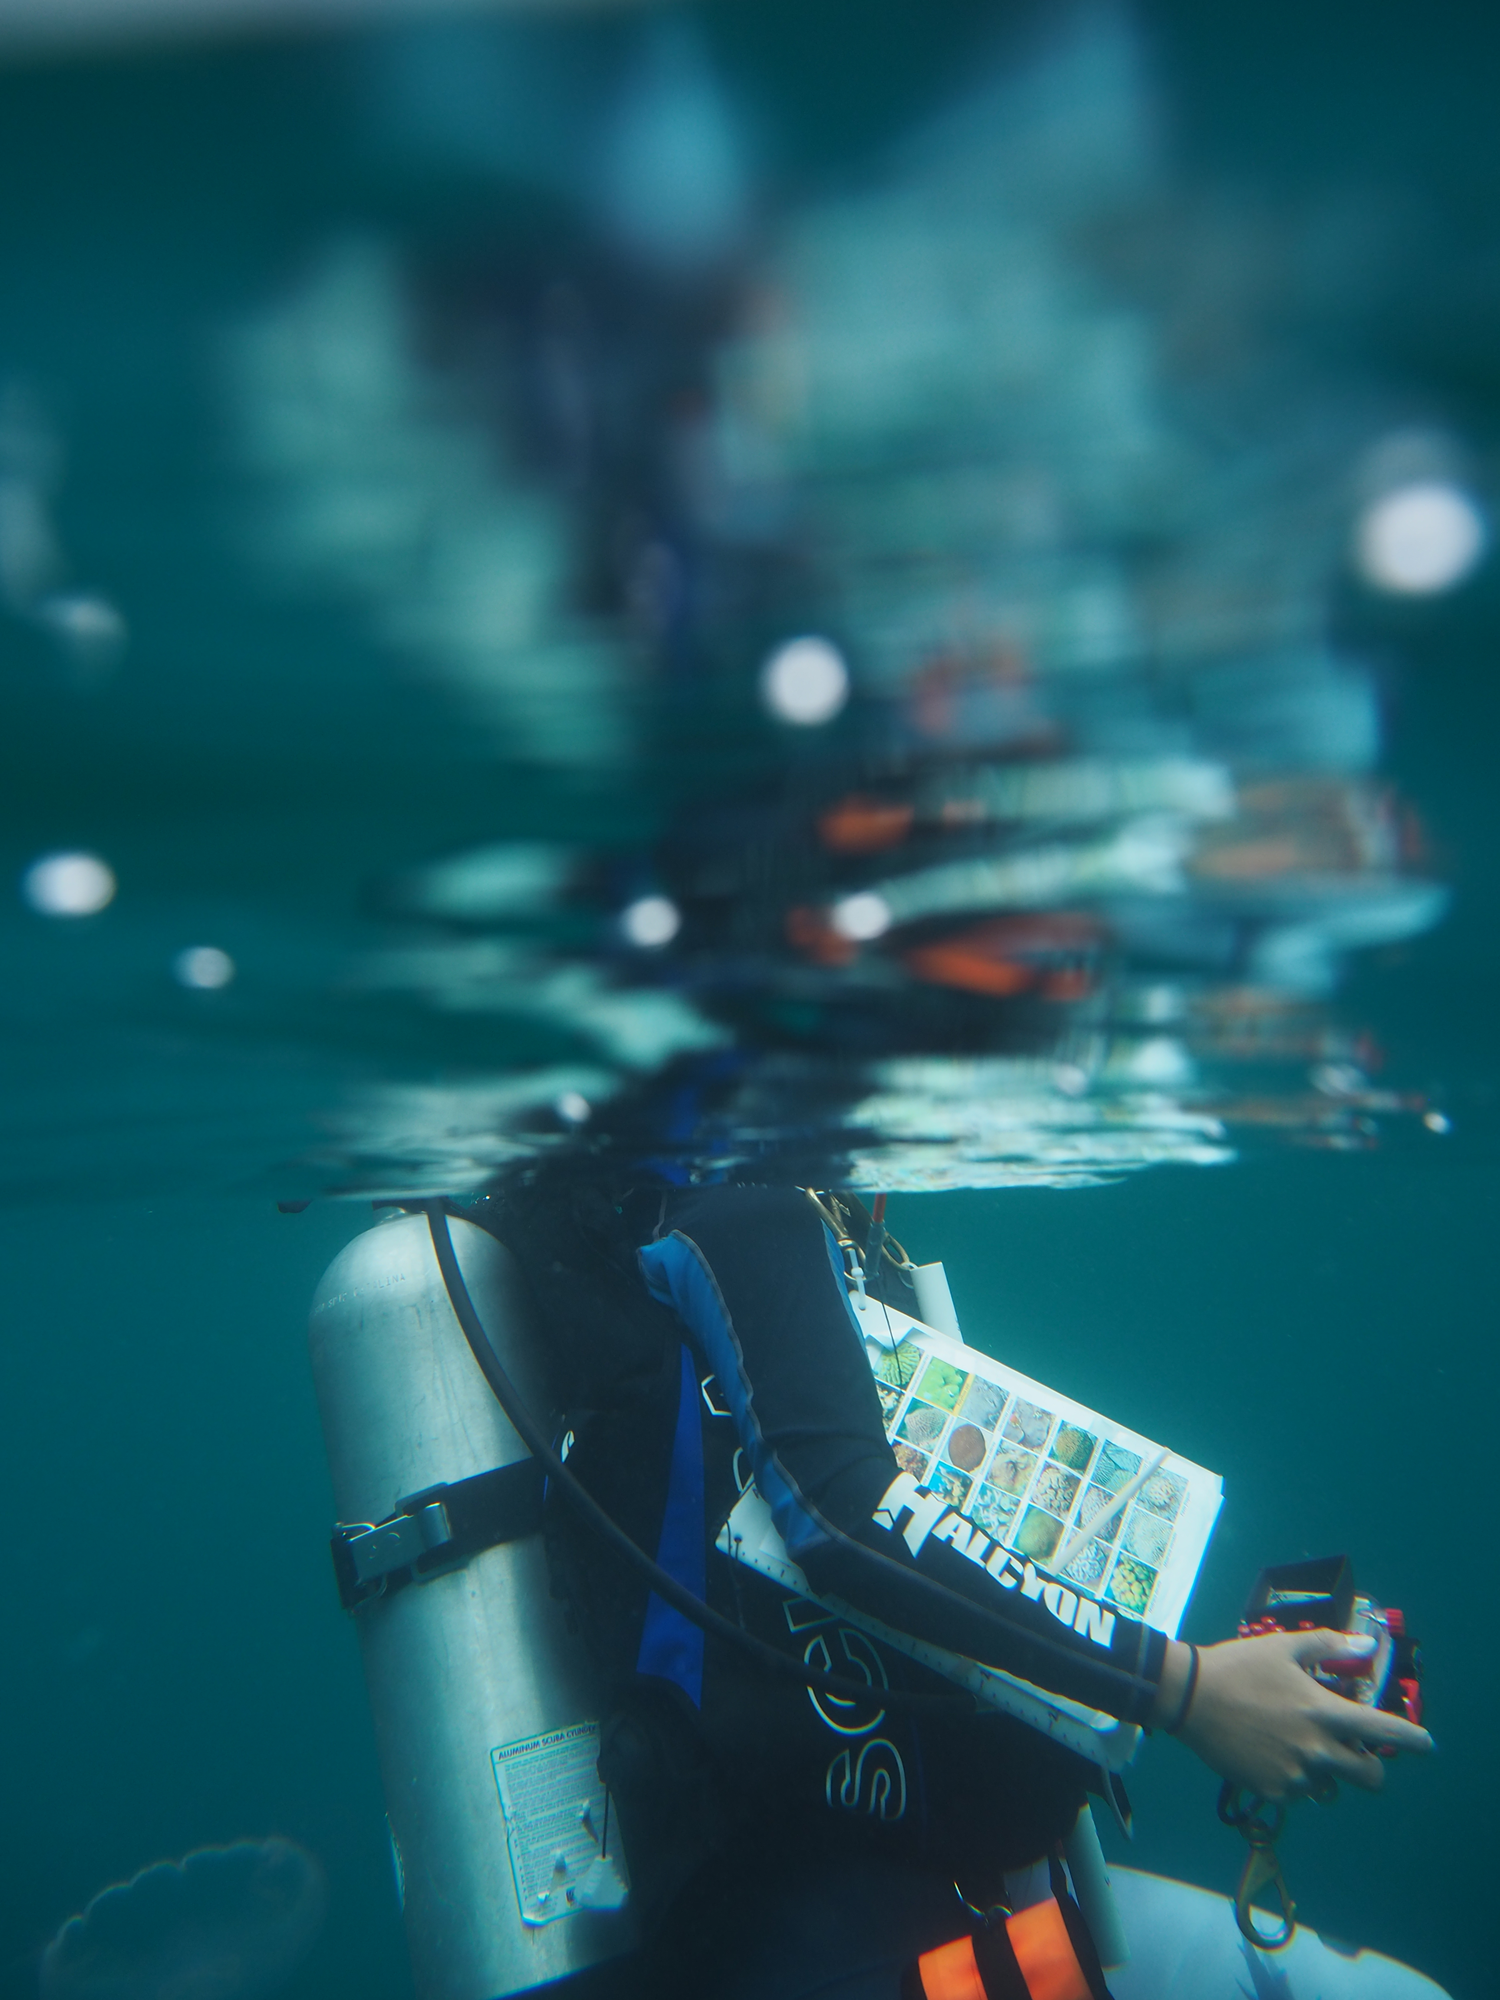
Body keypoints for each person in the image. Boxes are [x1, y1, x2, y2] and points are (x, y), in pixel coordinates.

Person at [464, 1175, 1430, 1997]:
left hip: (942, 1889)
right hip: (839, 1925)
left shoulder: (803, 1216)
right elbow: (847, 1517)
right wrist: (1185, 1690)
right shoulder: (746, 1204)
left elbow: (939, 1534)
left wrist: (1225, 1680)